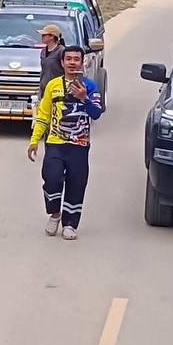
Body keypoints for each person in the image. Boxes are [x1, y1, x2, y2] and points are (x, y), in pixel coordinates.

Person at [28, 46, 104, 240]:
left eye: (76, 59)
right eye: (68, 59)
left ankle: (70, 224)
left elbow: (96, 112)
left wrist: (83, 98)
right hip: (55, 142)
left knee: (76, 184)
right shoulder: (53, 86)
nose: (72, 62)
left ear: (82, 62)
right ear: (62, 63)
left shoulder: (90, 86)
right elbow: (44, 115)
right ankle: (54, 214)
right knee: (51, 179)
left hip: (79, 145)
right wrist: (34, 140)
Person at [38, 23, 66, 96]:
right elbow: (43, 71)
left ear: (52, 37)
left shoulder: (61, 51)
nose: (42, 37)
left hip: (57, 89)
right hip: (44, 90)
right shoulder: (43, 51)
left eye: (44, 35)